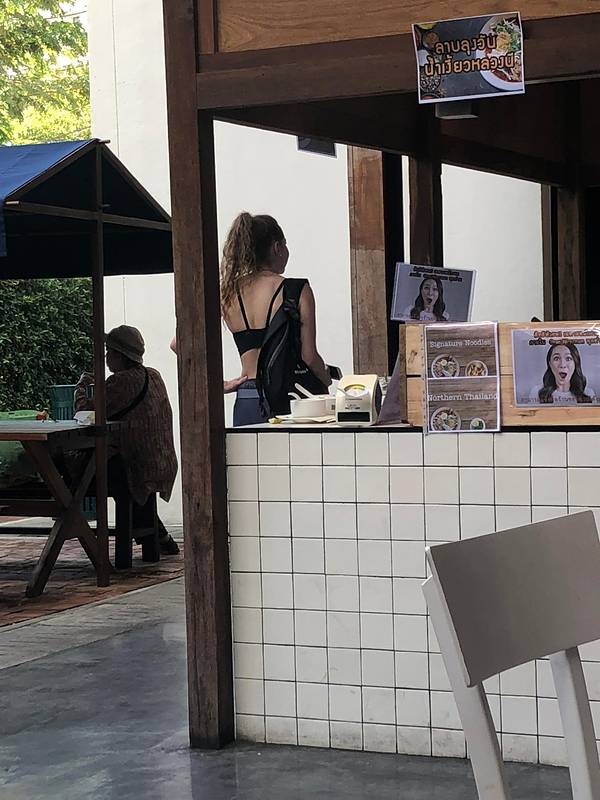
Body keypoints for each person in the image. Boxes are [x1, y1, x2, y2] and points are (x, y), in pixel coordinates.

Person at [74, 325, 180, 555]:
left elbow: (85, 411)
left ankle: (68, 515)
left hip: (135, 466)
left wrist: (81, 387)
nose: (106, 357)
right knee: (120, 478)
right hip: (161, 461)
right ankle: (159, 537)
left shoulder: (120, 382)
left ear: (120, 355)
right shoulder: (153, 375)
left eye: (109, 352)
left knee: (74, 475)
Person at [220, 212, 331, 426]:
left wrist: (217, 384)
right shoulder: (296, 290)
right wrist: (325, 376)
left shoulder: (227, 293)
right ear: (277, 247)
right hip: (289, 398)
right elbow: (309, 356)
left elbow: (179, 343)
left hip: (248, 397)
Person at [530, 342, 594, 405]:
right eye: (556, 358)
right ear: (550, 364)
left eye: (568, 358)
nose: (562, 365)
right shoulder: (537, 392)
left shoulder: (588, 394)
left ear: (575, 363)